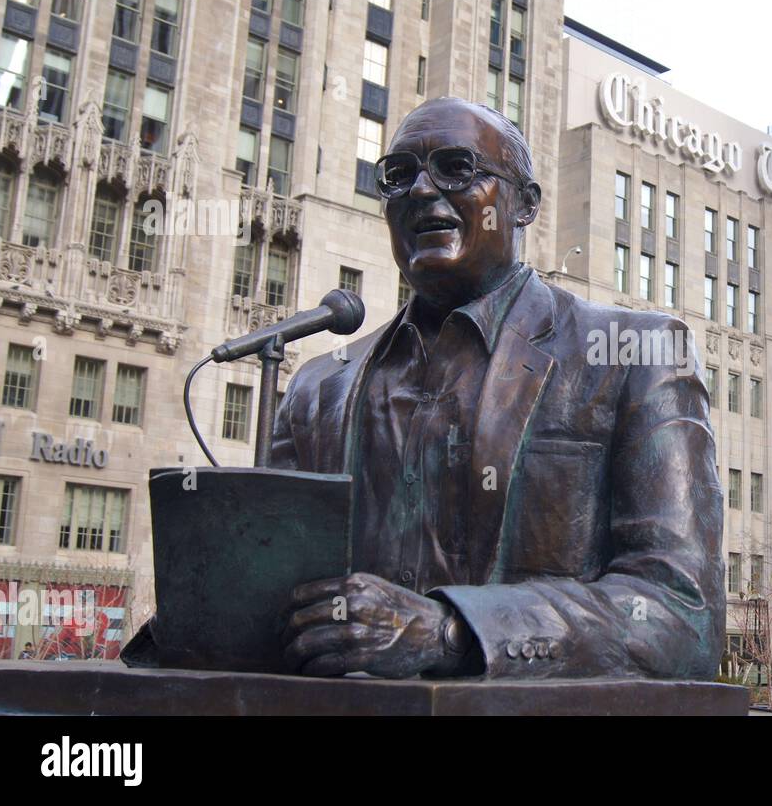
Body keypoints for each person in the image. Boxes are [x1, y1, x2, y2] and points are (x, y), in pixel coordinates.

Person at [271, 97, 724, 680]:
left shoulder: (636, 354)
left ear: (524, 205)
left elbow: (682, 616)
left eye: (457, 168)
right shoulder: (319, 388)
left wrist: (453, 632)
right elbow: (271, 591)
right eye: (398, 175)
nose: (421, 190)